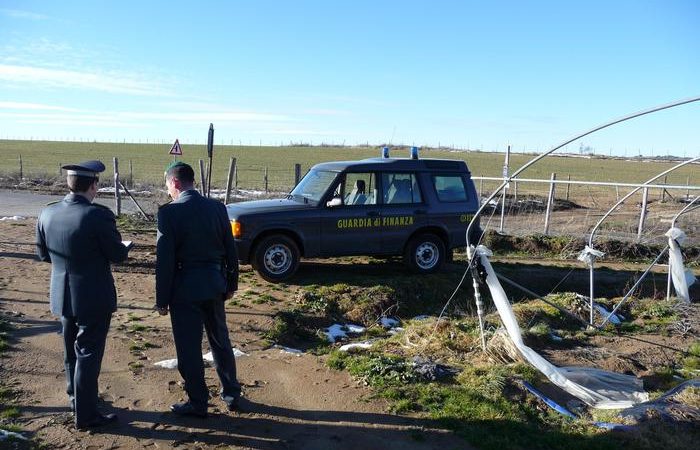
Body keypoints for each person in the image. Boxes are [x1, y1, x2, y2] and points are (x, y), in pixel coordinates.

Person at [36, 160, 130, 430]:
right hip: (93, 295)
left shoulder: (47, 213)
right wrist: (124, 247)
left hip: (62, 294)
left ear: (69, 184)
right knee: (88, 354)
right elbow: (117, 254)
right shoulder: (97, 216)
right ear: (93, 186)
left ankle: (76, 399)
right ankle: (87, 415)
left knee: (70, 352)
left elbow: (43, 255)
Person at [155, 161, 241, 417]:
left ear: (176, 183)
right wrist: (231, 284)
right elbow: (230, 250)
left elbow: (165, 261)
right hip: (215, 284)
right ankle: (232, 394)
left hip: (184, 290)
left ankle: (198, 401)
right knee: (220, 341)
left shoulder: (169, 213)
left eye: (168, 185)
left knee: (189, 347)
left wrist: (162, 299)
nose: (168, 190)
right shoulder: (217, 208)